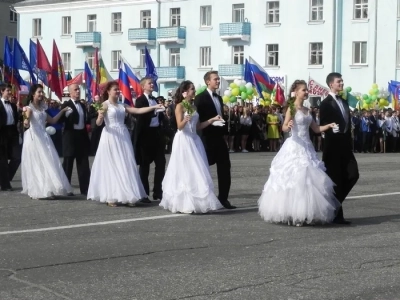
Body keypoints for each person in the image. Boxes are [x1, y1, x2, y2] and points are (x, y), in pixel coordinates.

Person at [258, 80, 340, 226]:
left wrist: (329, 125)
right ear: (296, 92)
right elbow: (283, 127)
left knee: (308, 180)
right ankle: (293, 213)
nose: (306, 92)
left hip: (307, 147)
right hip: (295, 145)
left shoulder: (308, 111)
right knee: (294, 178)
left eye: (307, 90)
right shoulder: (292, 108)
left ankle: (305, 213)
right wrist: (288, 125)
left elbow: (315, 129)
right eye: (303, 90)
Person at [87, 82, 163, 206]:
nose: (117, 92)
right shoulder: (104, 105)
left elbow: (137, 110)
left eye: (118, 90)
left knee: (125, 163)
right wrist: (100, 116)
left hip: (123, 136)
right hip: (111, 136)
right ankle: (111, 196)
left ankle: (127, 194)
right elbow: (99, 123)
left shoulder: (122, 105)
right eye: (115, 90)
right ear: (108, 91)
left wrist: (154, 107)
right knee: (112, 164)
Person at [160, 80, 223, 214]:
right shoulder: (179, 106)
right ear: (185, 92)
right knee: (185, 168)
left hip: (194, 139)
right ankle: (184, 202)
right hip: (184, 139)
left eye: (194, 89)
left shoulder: (193, 106)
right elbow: (179, 126)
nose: (194, 91)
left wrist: (212, 120)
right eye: (192, 89)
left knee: (197, 169)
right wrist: (185, 119)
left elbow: (198, 126)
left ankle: (197, 201)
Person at [320, 73, 359, 225]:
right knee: (336, 179)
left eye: (342, 81)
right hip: (333, 146)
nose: (342, 83)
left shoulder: (343, 101)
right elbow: (323, 125)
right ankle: (337, 215)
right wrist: (330, 130)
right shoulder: (325, 104)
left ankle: (332, 206)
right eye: (339, 81)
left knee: (353, 174)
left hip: (345, 145)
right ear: (331, 84)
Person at [21, 84, 72, 199]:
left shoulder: (42, 108)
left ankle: (48, 188)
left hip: (43, 135)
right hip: (34, 137)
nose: (41, 94)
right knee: (38, 162)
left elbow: (53, 120)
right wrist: (25, 121)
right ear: (33, 94)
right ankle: (40, 190)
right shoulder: (29, 108)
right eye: (39, 92)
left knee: (48, 161)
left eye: (42, 92)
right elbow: (26, 121)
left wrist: (62, 111)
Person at [195, 71, 236, 209]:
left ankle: (223, 198)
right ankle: (203, 198)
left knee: (225, 167)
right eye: (215, 79)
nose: (218, 81)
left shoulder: (219, 98)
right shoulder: (200, 98)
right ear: (208, 81)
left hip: (219, 137)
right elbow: (197, 119)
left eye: (218, 79)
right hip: (206, 138)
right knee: (203, 168)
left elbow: (220, 116)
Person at [134, 77, 166, 202]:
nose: (152, 85)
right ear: (143, 87)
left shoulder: (155, 99)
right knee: (144, 165)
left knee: (161, 164)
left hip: (156, 134)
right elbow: (140, 116)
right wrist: (154, 111)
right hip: (145, 136)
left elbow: (160, 117)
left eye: (153, 83)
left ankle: (158, 191)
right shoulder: (140, 100)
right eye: (149, 83)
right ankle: (144, 193)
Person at [61, 84, 91, 196]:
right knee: (68, 163)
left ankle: (85, 188)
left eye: (78, 89)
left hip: (81, 136)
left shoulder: (83, 105)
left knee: (83, 163)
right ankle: (66, 188)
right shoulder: (66, 104)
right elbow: (61, 119)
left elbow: (85, 119)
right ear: (70, 92)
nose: (78, 91)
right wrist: (65, 114)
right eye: (75, 90)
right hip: (70, 136)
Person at [0, 84, 21, 191]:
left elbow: (18, 118)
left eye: (10, 90)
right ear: (2, 91)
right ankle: (5, 184)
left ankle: (5, 178)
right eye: (8, 90)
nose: (9, 92)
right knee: (2, 161)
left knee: (17, 157)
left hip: (12, 133)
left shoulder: (13, 105)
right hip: (2, 133)